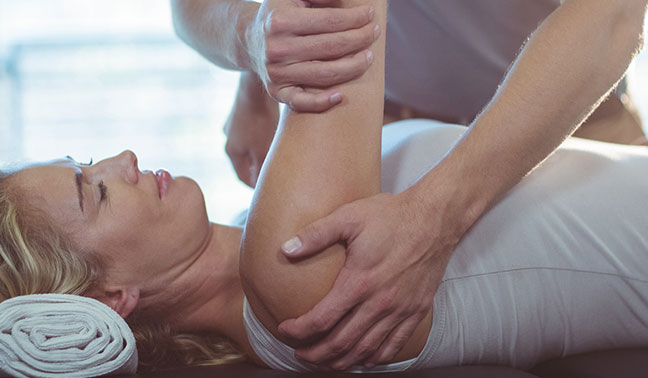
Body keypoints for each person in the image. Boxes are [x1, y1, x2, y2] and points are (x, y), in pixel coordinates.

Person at [1, 2, 647, 372]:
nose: (126, 158)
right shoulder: (290, 262)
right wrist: (255, 49)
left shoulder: (269, 229)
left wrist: (255, 65)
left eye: (90, 160)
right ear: (114, 296)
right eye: (96, 190)